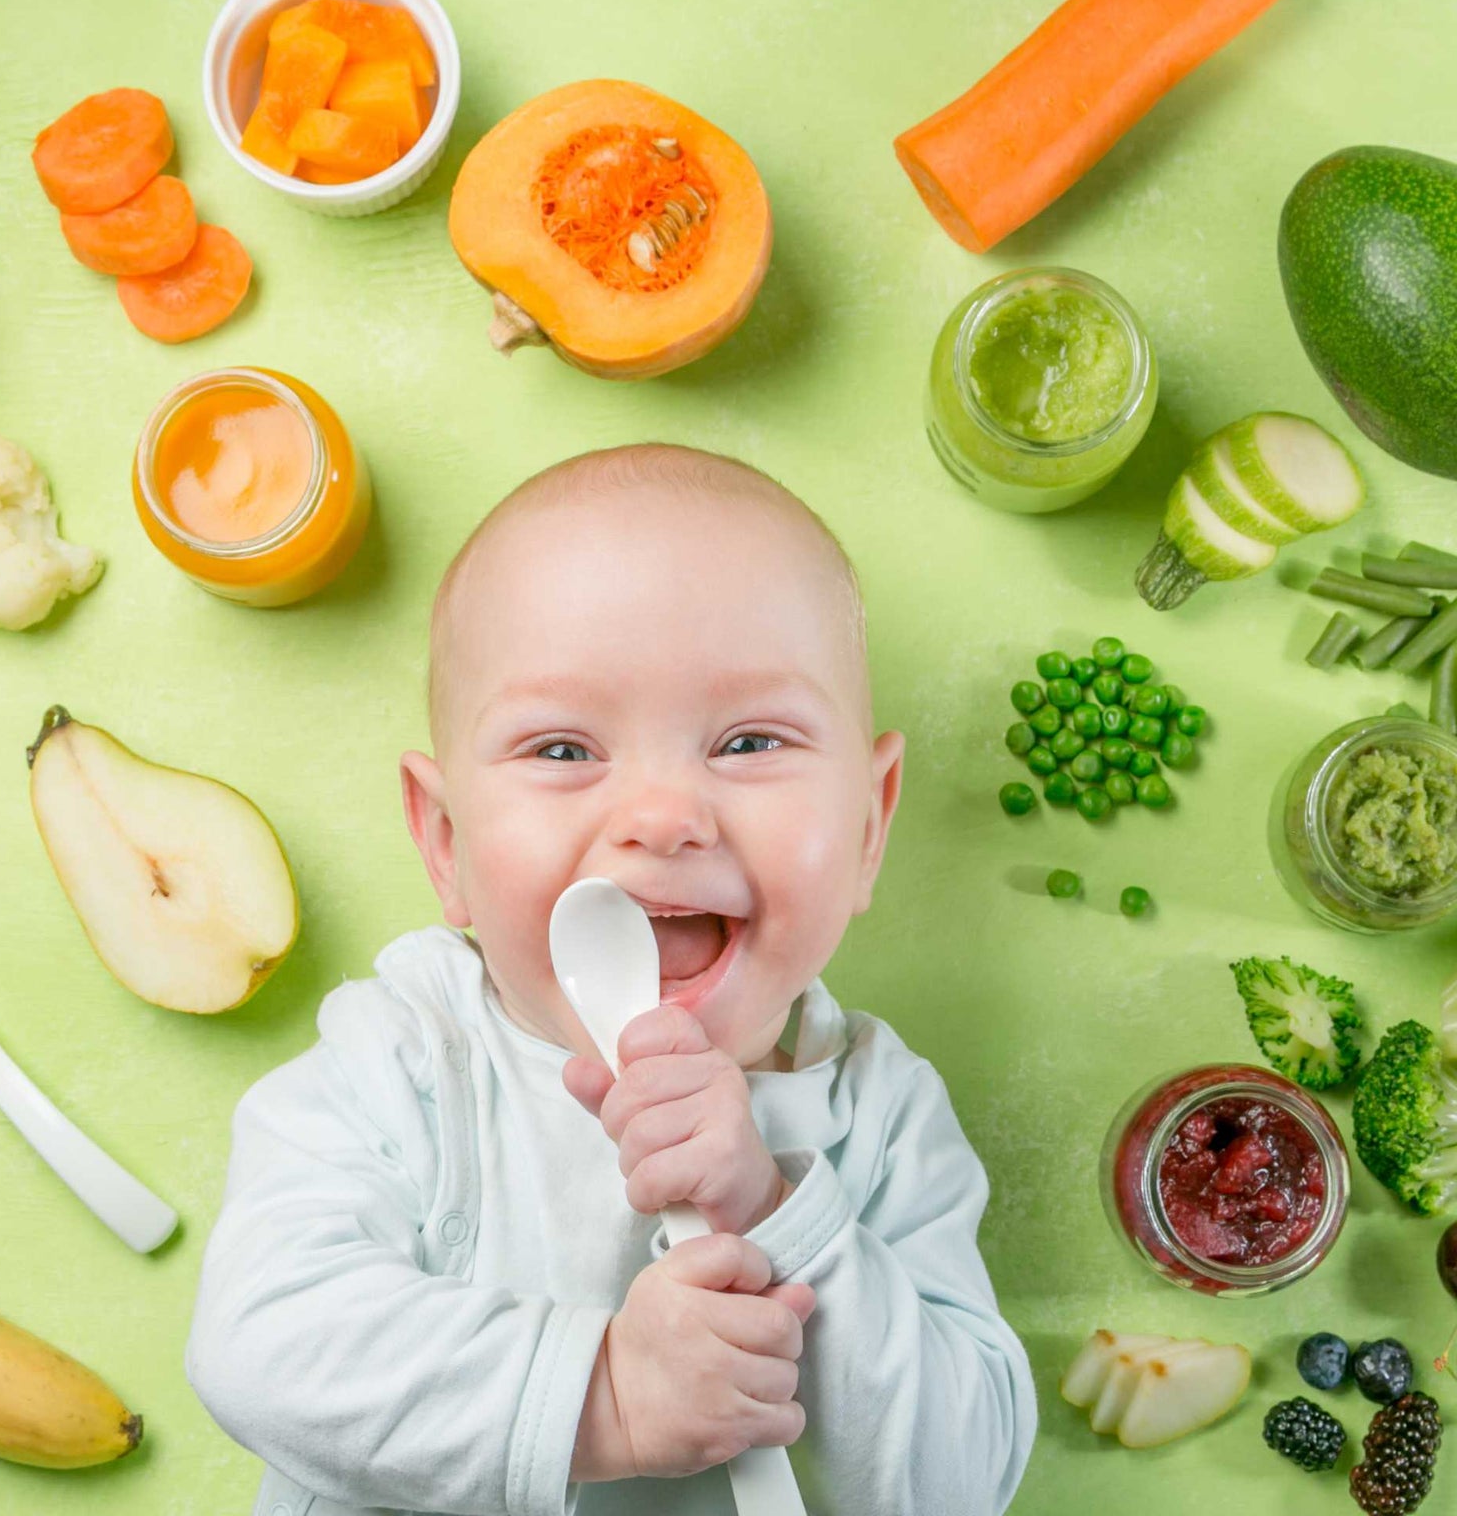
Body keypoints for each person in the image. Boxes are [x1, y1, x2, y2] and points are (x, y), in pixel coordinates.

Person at [187, 443, 1037, 1516]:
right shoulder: (402, 1056)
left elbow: (963, 1481)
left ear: (869, 824)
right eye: (560, 751)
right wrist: (605, 1396)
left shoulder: (880, 1117)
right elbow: (259, 1343)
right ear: (445, 842)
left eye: (746, 739)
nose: (663, 815)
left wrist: (773, 1212)